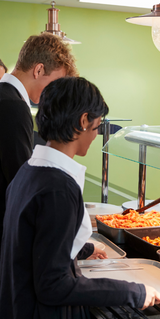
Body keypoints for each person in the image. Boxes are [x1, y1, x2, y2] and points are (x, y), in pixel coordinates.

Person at [0, 77, 160, 319]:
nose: (96, 135)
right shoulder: (59, 188)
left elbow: (35, 243)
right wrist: (132, 291)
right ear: (83, 121)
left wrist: (85, 248)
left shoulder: (28, 171)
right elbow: (53, 286)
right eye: (97, 127)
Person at [0, 33, 77, 250]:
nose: (53, 93)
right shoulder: (12, 105)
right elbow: (20, 183)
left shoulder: (5, 96)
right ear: (39, 70)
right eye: (54, 83)